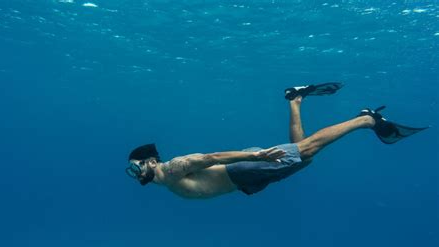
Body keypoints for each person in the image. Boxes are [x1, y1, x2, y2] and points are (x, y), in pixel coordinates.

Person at [126, 83, 428, 199]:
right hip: (243, 179)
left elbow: (212, 157)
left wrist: (257, 159)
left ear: (152, 160)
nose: (136, 173)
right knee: (305, 156)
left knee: (307, 151)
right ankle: (295, 99)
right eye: (133, 171)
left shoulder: (175, 166)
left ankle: (367, 119)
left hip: (242, 170)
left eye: (136, 167)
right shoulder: (167, 180)